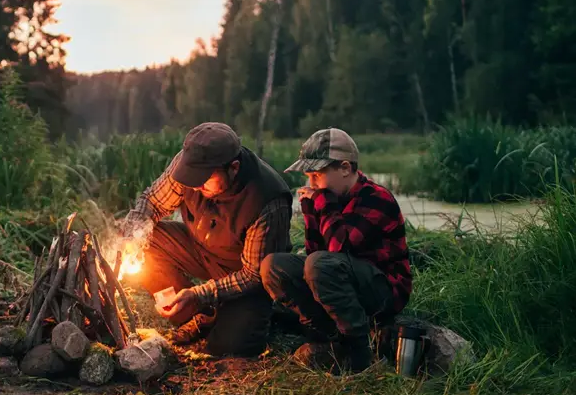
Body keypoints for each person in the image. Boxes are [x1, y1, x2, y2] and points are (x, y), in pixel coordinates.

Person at [118, 122, 293, 356]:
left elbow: (252, 275)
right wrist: (132, 236)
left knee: (230, 346)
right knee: (148, 240)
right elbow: (152, 202)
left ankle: (270, 314)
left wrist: (200, 293)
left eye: (205, 178)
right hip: (201, 250)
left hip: (245, 275)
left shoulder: (267, 199)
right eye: (193, 177)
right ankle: (195, 314)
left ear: (233, 168)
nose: (196, 184)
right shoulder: (190, 168)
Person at [260, 127, 412, 373]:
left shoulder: (375, 198)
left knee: (321, 264)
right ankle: (325, 335)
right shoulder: (328, 197)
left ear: (345, 168)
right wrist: (311, 211)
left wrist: (321, 202)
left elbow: (339, 250)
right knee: (273, 266)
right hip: (343, 279)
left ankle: (359, 351)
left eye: (317, 175)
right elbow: (314, 253)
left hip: (384, 291)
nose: (312, 184)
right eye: (309, 176)